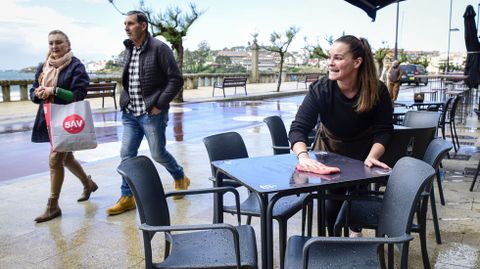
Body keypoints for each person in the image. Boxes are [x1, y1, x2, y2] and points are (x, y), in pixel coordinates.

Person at [289, 35, 393, 236]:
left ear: (357, 62)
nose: (330, 63)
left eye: (338, 58)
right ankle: (333, 244)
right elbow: (298, 128)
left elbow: (384, 130)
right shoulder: (321, 89)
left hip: (364, 154)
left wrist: (372, 156)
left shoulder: (377, 90)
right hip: (328, 152)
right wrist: (304, 157)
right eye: (330, 57)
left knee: (358, 205)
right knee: (331, 206)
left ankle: (356, 235)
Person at [106, 10, 190, 216]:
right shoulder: (129, 49)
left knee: (157, 153)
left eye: (131, 23)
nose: (126, 27)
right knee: (126, 154)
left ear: (143, 25)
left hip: (152, 113)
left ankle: (180, 177)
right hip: (130, 113)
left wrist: (159, 104)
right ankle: (127, 197)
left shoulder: (159, 48)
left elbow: (176, 79)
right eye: (125, 24)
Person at [31, 30, 97, 223]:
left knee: (54, 160)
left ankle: (53, 206)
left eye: (59, 42)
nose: (54, 46)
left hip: (68, 120)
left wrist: (55, 90)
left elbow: (78, 95)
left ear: (68, 44)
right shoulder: (43, 66)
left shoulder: (76, 66)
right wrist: (39, 92)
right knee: (66, 159)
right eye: (51, 43)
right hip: (48, 119)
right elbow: (32, 94)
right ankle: (88, 183)